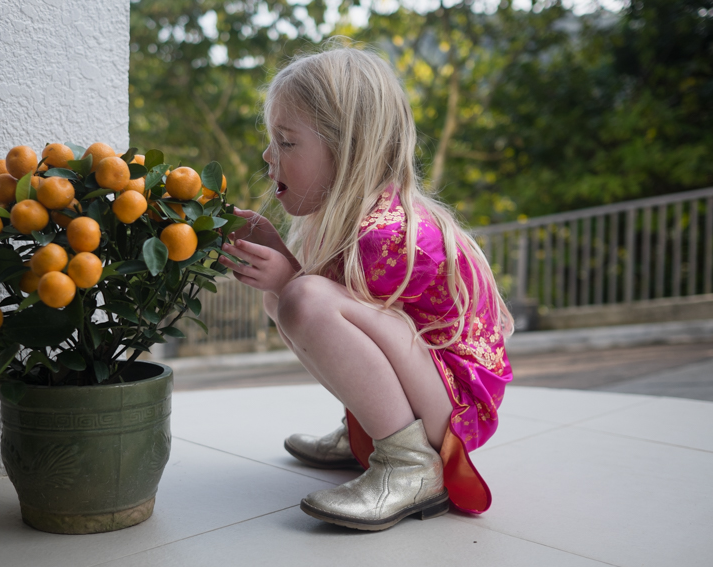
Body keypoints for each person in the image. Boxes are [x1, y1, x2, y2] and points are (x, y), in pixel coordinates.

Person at [218, 44, 514, 531]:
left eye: (287, 142)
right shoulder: (360, 219)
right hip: (435, 386)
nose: (268, 156)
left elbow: (324, 309)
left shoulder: (386, 234)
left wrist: (293, 279)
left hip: (458, 406)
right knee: (289, 296)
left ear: (347, 148)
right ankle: (372, 432)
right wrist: (282, 263)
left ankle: (409, 464)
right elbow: (350, 324)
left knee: (300, 297)